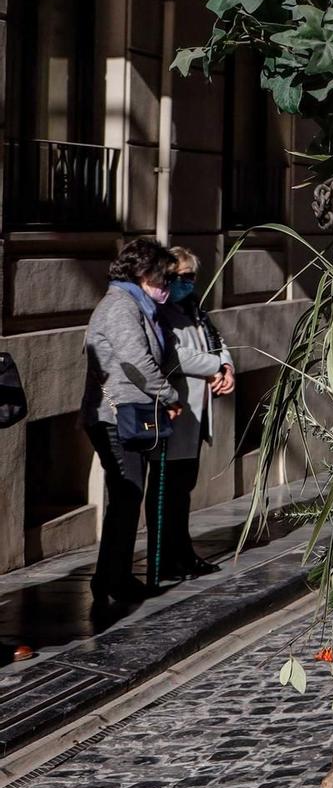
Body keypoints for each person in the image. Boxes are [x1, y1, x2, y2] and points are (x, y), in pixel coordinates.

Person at [80, 238, 185, 614]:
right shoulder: (120, 306)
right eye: (163, 277)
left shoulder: (138, 306)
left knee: (127, 497)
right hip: (114, 416)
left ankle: (112, 575)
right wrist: (169, 396)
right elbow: (135, 362)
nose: (168, 286)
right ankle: (112, 578)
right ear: (142, 273)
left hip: (131, 412)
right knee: (126, 495)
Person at [151, 245, 234, 581]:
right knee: (168, 490)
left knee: (184, 487)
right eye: (180, 277)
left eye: (191, 277)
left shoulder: (195, 309)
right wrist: (215, 366)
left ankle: (183, 552)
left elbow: (217, 341)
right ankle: (167, 558)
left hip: (197, 415)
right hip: (175, 412)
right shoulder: (160, 311)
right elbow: (175, 355)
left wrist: (226, 365)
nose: (187, 283)